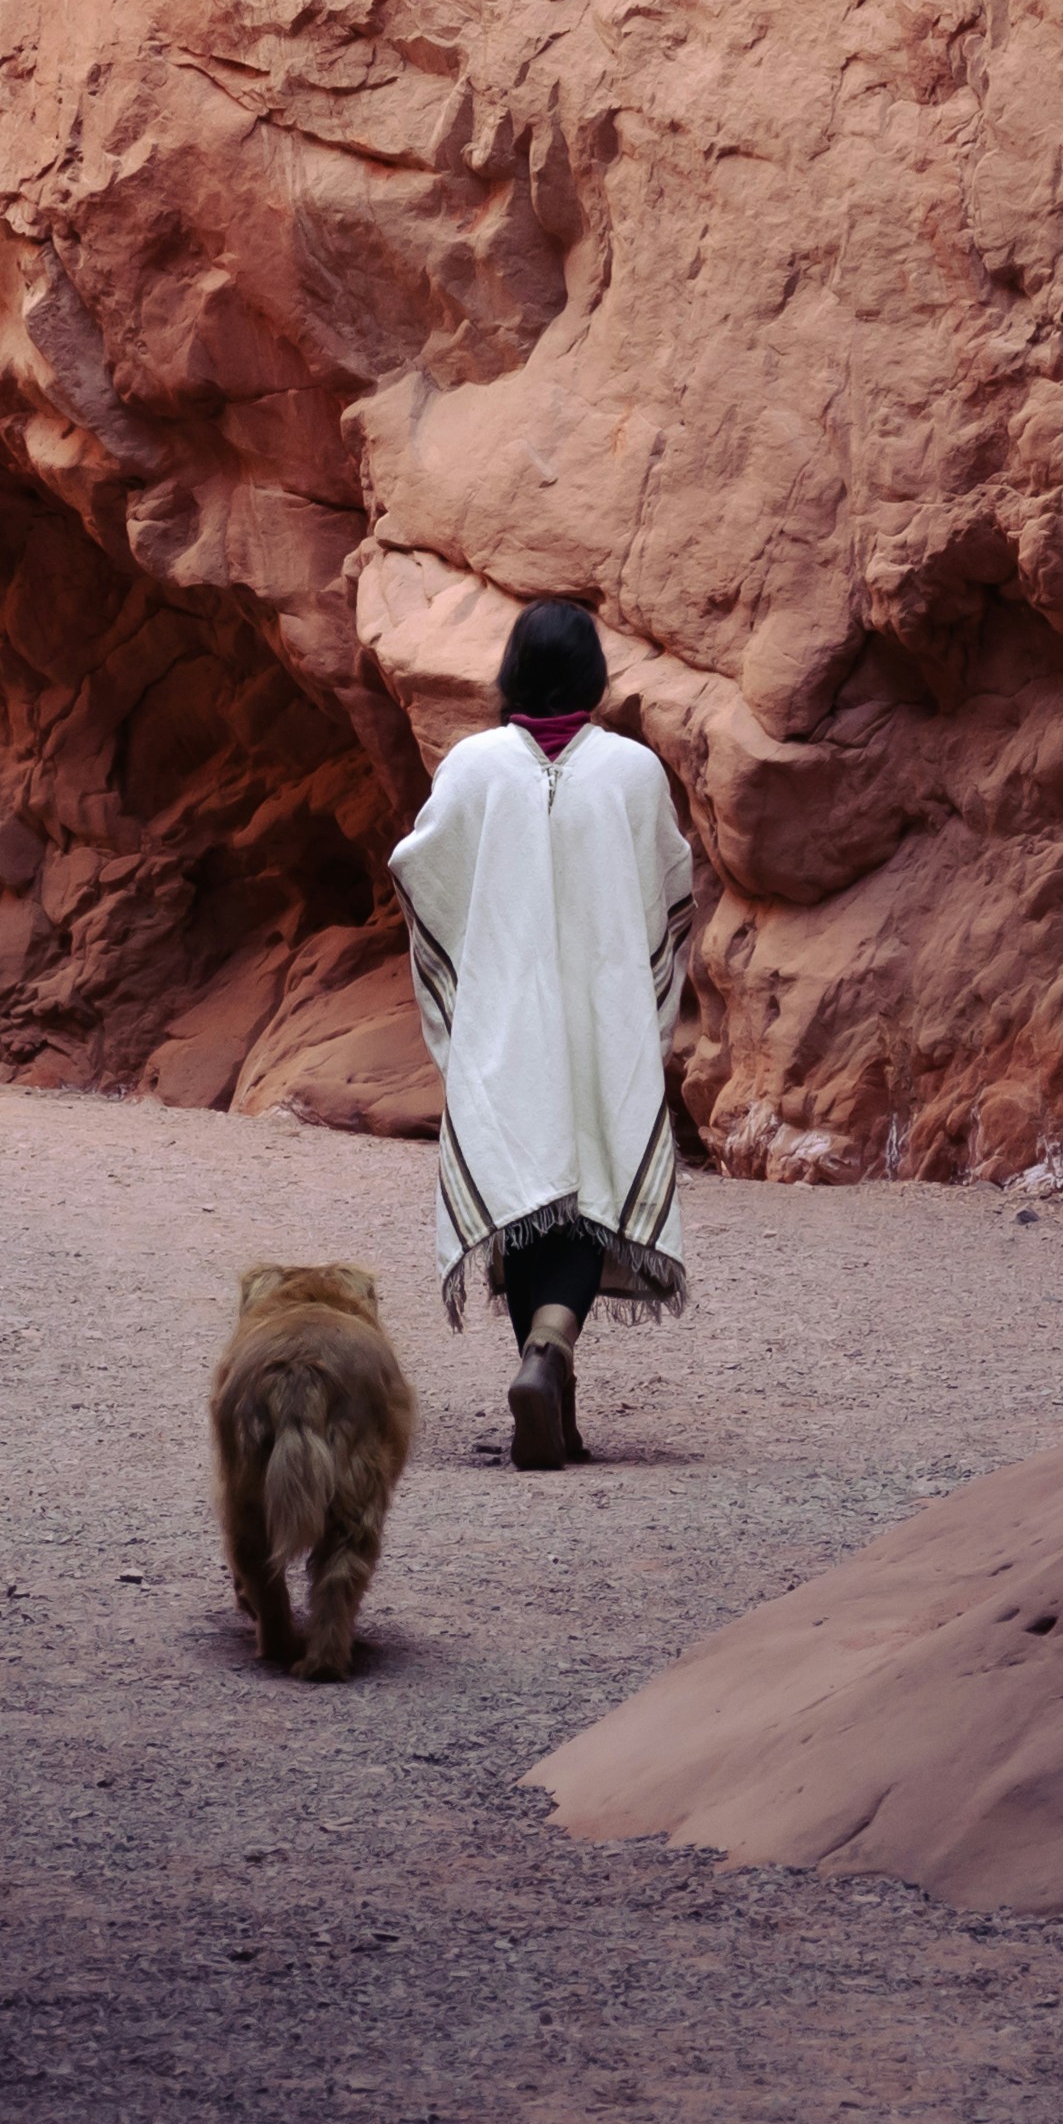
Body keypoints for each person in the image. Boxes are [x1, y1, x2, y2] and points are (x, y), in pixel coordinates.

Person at [387, 598, 695, 1471]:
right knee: (589, 1177)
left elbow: (419, 872)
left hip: (504, 1016)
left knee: (525, 1189)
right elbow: (669, 891)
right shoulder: (632, 771)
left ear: (512, 671)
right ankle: (551, 1352)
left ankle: (545, 1377)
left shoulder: (472, 766)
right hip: (602, 1018)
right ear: (592, 674)